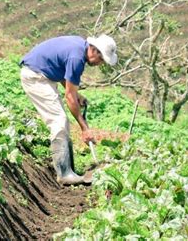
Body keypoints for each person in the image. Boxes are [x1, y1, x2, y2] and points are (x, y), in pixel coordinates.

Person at [20, 34, 117, 185]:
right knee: (59, 121)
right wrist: (84, 128)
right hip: (35, 76)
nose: (100, 64)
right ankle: (64, 174)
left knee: (62, 120)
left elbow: (63, 75)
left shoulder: (79, 46)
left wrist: (77, 95)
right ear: (94, 50)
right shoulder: (77, 58)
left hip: (43, 74)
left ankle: (69, 169)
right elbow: (69, 97)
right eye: (101, 59)